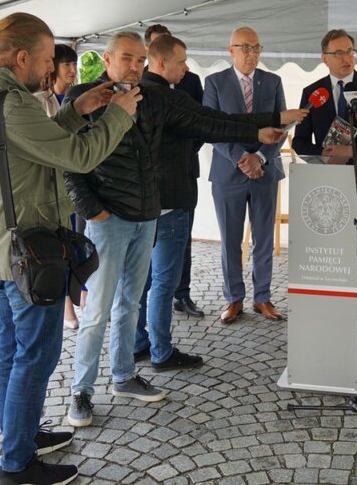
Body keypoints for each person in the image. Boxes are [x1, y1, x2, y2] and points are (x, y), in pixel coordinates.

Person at [64, 31, 303, 428]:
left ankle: (123, 376)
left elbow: (210, 121)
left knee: (129, 302)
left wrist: (271, 122)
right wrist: (94, 211)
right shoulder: (84, 98)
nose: (135, 66)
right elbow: (69, 161)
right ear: (106, 59)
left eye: (141, 60)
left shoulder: (153, 97)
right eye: (127, 58)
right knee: (98, 309)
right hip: (108, 221)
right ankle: (81, 391)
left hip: (146, 216)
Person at [0, 12, 139, 485]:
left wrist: (75, 112)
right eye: (44, 59)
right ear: (21, 57)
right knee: (35, 355)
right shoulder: (12, 101)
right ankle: (17, 465)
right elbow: (77, 156)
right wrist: (119, 115)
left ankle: (20, 435)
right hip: (28, 253)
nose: (49, 67)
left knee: (10, 348)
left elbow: (24, 146)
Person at [293, 29, 357, 362]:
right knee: (331, 259)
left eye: (350, 51)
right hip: (326, 187)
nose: (346, 57)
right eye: (338, 53)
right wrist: (324, 154)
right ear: (324, 58)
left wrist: (349, 150)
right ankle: (329, 326)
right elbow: (298, 142)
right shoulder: (313, 93)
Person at [204, 27, 288, 324]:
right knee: (230, 239)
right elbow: (210, 127)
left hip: (265, 171)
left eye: (257, 48)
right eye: (245, 48)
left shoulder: (273, 81)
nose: (252, 54)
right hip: (229, 172)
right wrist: (242, 157)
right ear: (231, 50)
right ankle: (233, 298)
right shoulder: (214, 83)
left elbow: (282, 126)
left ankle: (262, 297)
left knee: (264, 238)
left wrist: (260, 157)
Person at [132, 34, 206, 370]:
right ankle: (161, 351)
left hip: (142, 203)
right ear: (161, 62)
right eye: (181, 61)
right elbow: (213, 124)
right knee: (163, 281)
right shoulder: (167, 98)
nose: (186, 67)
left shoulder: (134, 95)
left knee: (140, 280)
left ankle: (137, 343)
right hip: (171, 201)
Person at [144, 25, 206, 317]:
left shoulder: (191, 81)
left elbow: (205, 123)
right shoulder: (138, 87)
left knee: (182, 240)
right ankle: (150, 325)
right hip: (152, 182)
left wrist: (184, 151)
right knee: (149, 253)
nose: (181, 65)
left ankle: (182, 294)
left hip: (184, 172)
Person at [34, 43, 84, 330]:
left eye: (71, 64)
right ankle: (66, 305)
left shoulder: (63, 98)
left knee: (74, 243)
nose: (70, 69)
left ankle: (79, 295)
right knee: (61, 248)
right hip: (54, 188)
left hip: (70, 187)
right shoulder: (39, 100)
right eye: (64, 64)